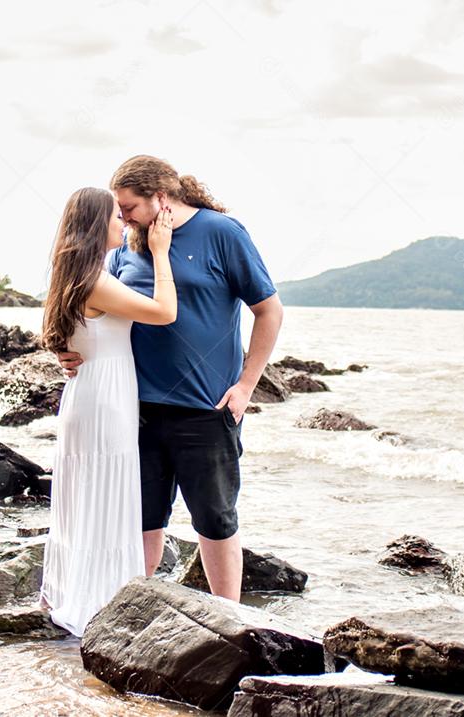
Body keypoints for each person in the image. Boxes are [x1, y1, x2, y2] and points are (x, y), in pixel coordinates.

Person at [57, 156, 283, 602]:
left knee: (215, 520)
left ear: (160, 198)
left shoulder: (222, 232)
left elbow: (269, 310)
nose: (123, 218)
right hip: (135, 409)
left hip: (205, 408)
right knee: (141, 520)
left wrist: (245, 386)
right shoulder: (127, 247)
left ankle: (227, 620)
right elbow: (92, 306)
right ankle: (124, 615)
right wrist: (69, 350)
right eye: (119, 211)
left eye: (129, 208)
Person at [38, 187, 176, 636]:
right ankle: (99, 599)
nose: (124, 223)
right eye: (117, 216)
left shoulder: (72, 276)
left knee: (86, 494)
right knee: (104, 491)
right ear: (97, 225)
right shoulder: (96, 282)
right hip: (104, 398)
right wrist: (160, 252)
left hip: (87, 393)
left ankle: (72, 588)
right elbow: (164, 312)